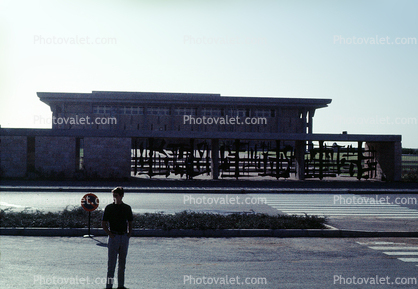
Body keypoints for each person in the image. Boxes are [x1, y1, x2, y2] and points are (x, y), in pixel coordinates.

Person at [102, 187, 133, 289]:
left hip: (123, 237)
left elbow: (130, 222)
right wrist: (110, 234)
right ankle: (109, 286)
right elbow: (103, 223)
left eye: (116, 196)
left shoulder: (127, 208)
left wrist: (129, 234)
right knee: (111, 265)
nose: (114, 198)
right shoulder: (109, 208)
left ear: (121, 196)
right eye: (113, 196)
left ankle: (121, 286)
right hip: (114, 237)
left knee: (122, 264)